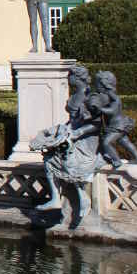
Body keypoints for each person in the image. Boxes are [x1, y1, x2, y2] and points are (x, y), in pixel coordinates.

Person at [32, 65, 103, 218]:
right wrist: (61, 130)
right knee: (49, 156)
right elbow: (72, 120)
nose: (67, 78)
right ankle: (55, 198)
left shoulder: (90, 97)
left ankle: (82, 196)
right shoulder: (74, 96)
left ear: (77, 78)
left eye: (69, 75)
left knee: (67, 157)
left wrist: (77, 132)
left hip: (87, 139)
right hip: (72, 133)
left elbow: (97, 124)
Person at [89, 71, 137, 168]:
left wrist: (100, 108)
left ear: (104, 85)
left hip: (117, 126)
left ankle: (116, 160)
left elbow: (112, 111)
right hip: (117, 125)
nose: (96, 86)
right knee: (124, 141)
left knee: (106, 143)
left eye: (97, 84)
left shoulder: (114, 97)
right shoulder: (109, 96)